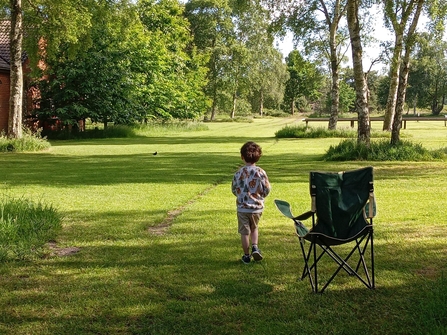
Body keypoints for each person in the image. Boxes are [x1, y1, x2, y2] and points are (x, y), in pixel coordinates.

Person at [231, 141, 271, 264]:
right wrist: (261, 196)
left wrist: (240, 196)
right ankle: (255, 246)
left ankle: (247, 255)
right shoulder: (261, 172)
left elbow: (234, 189)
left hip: (242, 208)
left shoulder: (238, 173)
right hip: (256, 208)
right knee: (254, 228)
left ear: (242, 157)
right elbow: (266, 189)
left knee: (244, 232)